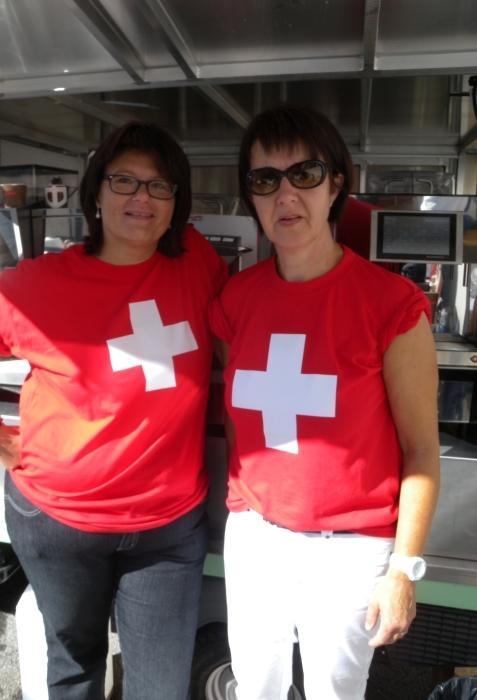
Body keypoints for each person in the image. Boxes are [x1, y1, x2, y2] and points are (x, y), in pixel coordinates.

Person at [0, 121, 227, 700]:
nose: (142, 198)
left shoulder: (197, 262)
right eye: (124, 180)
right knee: (75, 668)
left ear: (176, 204)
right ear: (96, 191)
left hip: (167, 526)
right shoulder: (34, 287)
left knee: (161, 688)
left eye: (159, 186)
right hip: (58, 522)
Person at [209, 104, 440, 700]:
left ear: (336, 184)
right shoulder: (236, 299)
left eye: (305, 174)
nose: (285, 194)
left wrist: (403, 570)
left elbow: (421, 452)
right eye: (266, 179)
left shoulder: (392, 306)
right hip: (256, 538)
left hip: (350, 551)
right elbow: (240, 420)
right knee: (254, 688)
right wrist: (243, 506)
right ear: (252, 197)